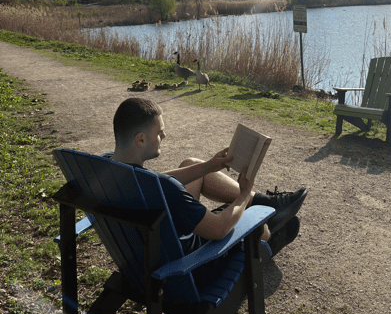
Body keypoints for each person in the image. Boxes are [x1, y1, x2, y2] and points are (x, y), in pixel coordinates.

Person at [110, 97, 307, 259]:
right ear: (141, 139)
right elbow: (219, 229)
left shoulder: (107, 169)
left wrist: (209, 166)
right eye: (159, 133)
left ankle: (268, 203)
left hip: (148, 252)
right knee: (251, 214)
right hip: (187, 266)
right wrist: (244, 194)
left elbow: (156, 180)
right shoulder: (166, 189)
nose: (165, 136)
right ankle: (269, 238)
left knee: (190, 164)